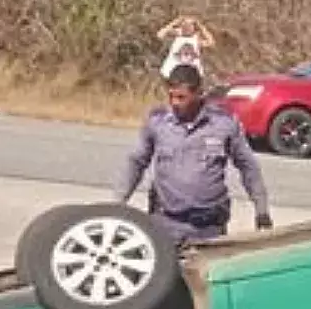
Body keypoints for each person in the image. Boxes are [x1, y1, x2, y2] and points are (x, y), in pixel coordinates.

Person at [114, 64, 272, 246]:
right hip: (166, 223)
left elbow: (248, 166)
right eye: (171, 96)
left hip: (208, 227)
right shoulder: (158, 122)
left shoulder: (223, 124)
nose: (175, 103)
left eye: (182, 97)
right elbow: (136, 162)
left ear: (198, 93)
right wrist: (118, 203)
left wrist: (261, 211)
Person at [156, 15, 215, 80]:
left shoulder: (196, 39)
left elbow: (211, 42)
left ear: (194, 27)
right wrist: (174, 23)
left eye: (190, 25)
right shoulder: (176, 36)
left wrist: (202, 27)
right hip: (172, 71)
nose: (187, 27)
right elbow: (160, 35)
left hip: (191, 74)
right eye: (185, 24)